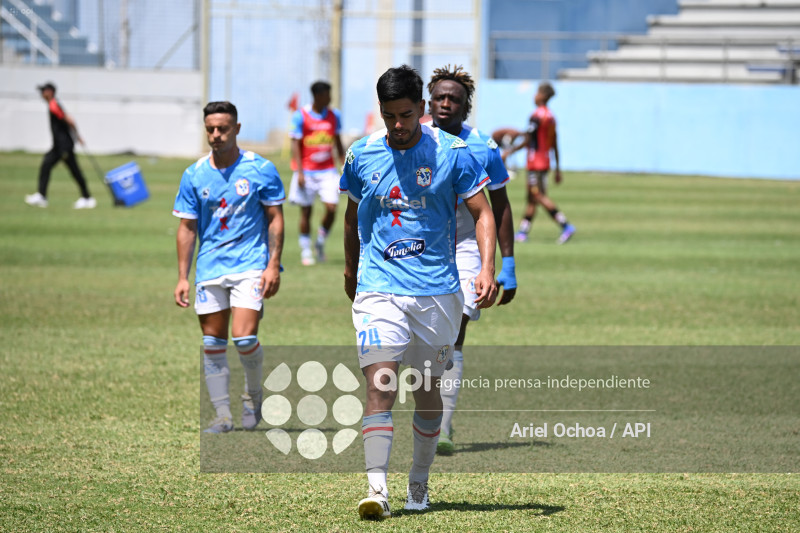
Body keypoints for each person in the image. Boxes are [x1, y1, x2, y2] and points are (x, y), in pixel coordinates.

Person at [340, 65, 497, 520]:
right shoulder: (362, 154)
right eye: (389, 116)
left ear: (422, 108)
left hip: (437, 294)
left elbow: (483, 214)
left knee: (427, 391)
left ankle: (419, 481)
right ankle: (377, 491)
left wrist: (487, 268)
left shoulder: (453, 153)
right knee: (380, 385)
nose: (398, 125)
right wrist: (351, 271)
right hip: (379, 288)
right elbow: (352, 217)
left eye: (406, 115)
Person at [172, 101, 285, 434]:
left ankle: (253, 396)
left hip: (251, 265)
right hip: (209, 268)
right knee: (213, 343)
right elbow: (187, 227)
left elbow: (275, 218)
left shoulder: (261, 169)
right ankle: (222, 415)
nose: (216, 135)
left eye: (222, 128)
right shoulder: (194, 175)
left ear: (237, 128)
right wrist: (182, 277)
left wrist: (273, 265)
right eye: (210, 129)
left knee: (245, 338)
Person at [425, 65, 517, 455]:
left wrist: (506, 264)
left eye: (455, 99)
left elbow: (500, 206)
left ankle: (442, 425)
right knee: (425, 340)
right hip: (421, 249)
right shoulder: (411, 139)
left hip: (466, 248)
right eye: (440, 97)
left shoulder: (483, 147)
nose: (446, 104)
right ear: (429, 102)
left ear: (466, 107)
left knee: (454, 331)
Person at [503, 82, 576, 244]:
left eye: (537, 93)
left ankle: (565, 225)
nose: (534, 96)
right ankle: (523, 232)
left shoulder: (536, 116)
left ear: (542, 95)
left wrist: (509, 152)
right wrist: (557, 168)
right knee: (532, 198)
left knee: (537, 195)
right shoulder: (551, 117)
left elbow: (528, 139)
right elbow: (554, 143)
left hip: (535, 162)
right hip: (545, 161)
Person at [288, 80, 345, 265]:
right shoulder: (301, 115)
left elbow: (337, 141)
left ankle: (320, 241)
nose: (330, 98)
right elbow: (295, 145)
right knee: (306, 211)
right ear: (318, 96)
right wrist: (300, 172)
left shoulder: (334, 115)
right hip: (307, 171)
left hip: (328, 170)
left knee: (332, 208)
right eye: (327, 95)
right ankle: (306, 250)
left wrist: (344, 164)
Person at [25, 82, 96, 209]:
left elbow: (70, 120)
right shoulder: (52, 105)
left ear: (50, 92)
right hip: (59, 146)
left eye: (43, 91)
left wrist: (78, 136)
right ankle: (42, 195)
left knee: (74, 170)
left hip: (63, 146)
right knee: (47, 165)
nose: (41, 94)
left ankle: (87, 198)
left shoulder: (54, 105)